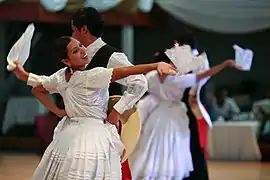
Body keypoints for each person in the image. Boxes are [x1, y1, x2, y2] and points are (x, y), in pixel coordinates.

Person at [12, 36, 176, 179]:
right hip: (94, 135)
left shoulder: (62, 76)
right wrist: (155, 65)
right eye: (76, 51)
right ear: (66, 60)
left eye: (81, 46)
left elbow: (38, 87)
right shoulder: (92, 75)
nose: (83, 51)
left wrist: (58, 111)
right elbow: (125, 71)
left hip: (67, 135)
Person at [128, 46, 241, 179]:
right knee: (172, 146)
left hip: (156, 113)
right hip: (173, 115)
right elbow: (204, 75)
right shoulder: (177, 79)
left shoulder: (150, 76)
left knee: (152, 144)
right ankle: (167, 173)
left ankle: (151, 172)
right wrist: (224, 64)